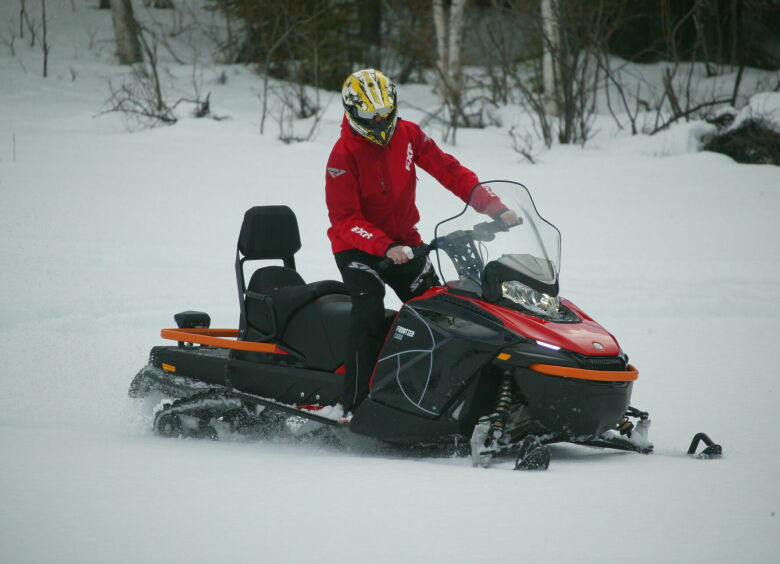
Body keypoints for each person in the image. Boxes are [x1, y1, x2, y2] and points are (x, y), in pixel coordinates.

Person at [325, 68, 518, 413]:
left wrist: (495, 208)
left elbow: (450, 170)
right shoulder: (343, 156)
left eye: (385, 112)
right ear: (353, 113)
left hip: (406, 243)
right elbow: (344, 220)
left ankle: (440, 394)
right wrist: (384, 246)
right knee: (368, 311)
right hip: (358, 249)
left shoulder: (409, 134)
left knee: (442, 312)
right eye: (371, 116)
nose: (380, 120)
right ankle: (353, 404)